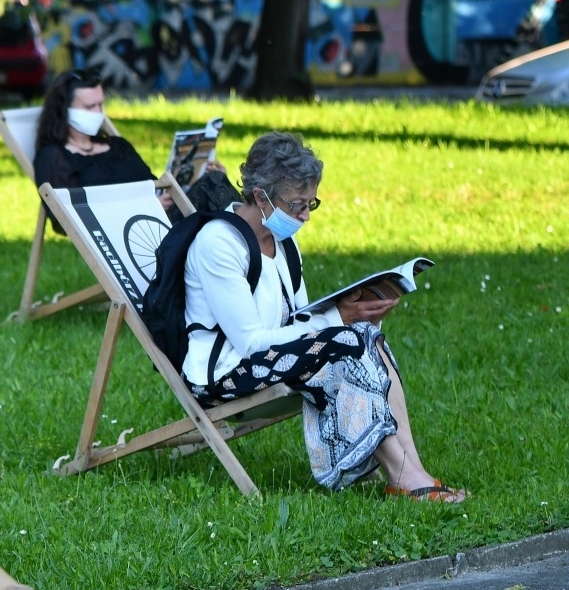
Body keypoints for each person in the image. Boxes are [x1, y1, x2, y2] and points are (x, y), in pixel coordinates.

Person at [181, 132, 464, 502]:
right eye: (297, 204)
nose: (304, 216)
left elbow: (298, 318)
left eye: (310, 203)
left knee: (362, 333)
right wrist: (337, 318)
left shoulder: (283, 242)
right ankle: (405, 478)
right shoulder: (218, 244)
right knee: (345, 339)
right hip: (224, 374)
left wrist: (349, 311)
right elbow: (250, 342)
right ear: (260, 195)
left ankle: (409, 471)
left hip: (270, 359)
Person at [32, 68, 237, 221]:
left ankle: (255, 249)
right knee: (216, 194)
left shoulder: (117, 146)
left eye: (101, 104)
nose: (98, 113)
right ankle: (257, 253)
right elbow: (67, 220)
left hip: (161, 216)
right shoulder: (53, 158)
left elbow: (151, 183)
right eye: (89, 106)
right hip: (136, 233)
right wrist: (144, 209)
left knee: (214, 179)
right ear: (64, 110)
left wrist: (195, 174)